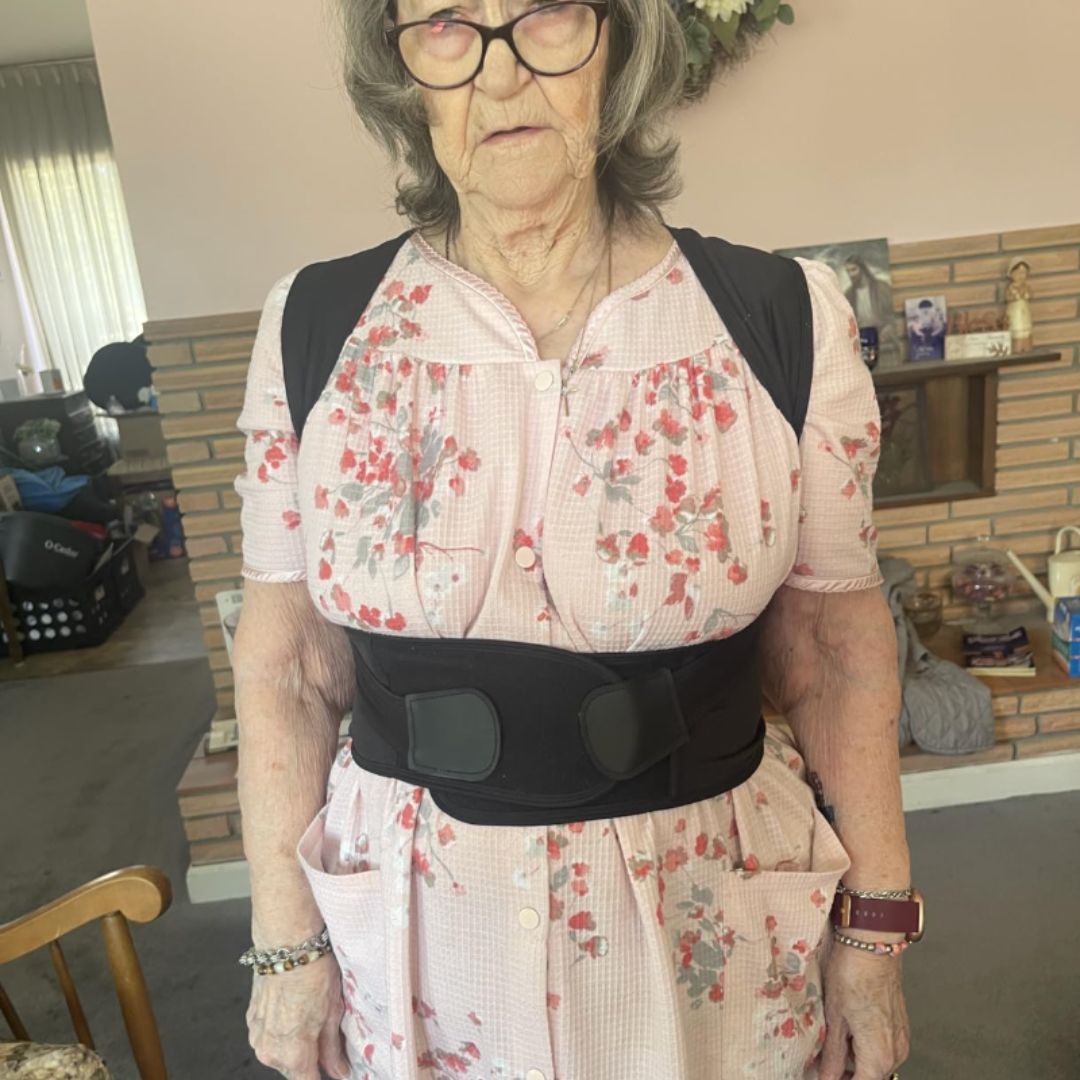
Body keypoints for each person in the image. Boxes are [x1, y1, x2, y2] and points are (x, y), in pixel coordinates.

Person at [232, 3, 915, 1078]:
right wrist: (286, 945)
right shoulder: (314, 326)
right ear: (401, 70)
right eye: (447, 24)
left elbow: (836, 652)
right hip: (421, 944)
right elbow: (287, 667)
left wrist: (875, 932)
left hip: (707, 927)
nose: (499, 74)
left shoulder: (783, 317)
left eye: (546, 13)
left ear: (618, 44)